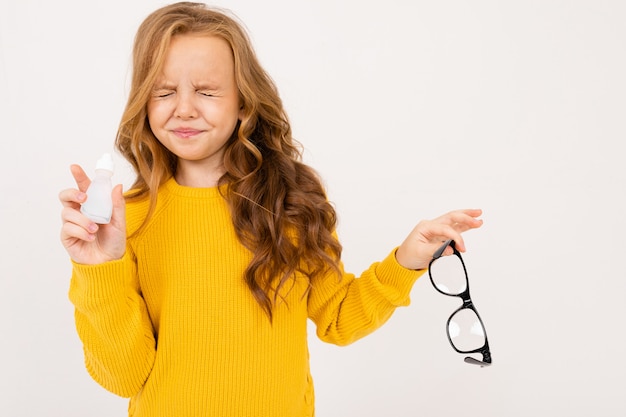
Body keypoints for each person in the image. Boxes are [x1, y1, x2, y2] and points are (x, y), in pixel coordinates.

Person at [58, 2, 483, 416]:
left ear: (244, 102)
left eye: (206, 91)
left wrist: (405, 261)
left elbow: (339, 318)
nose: (184, 108)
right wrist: (99, 268)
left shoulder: (289, 200)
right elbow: (123, 377)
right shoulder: (124, 220)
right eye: (163, 91)